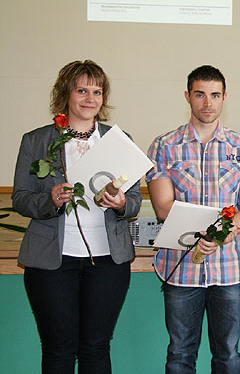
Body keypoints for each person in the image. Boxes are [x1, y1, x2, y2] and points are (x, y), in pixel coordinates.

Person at [12, 60, 142, 374]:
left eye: (97, 91)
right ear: (65, 94)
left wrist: (122, 203)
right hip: (51, 262)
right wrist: (50, 199)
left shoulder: (119, 139)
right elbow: (21, 198)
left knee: (96, 348)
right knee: (58, 349)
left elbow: (135, 201)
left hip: (108, 261)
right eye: (81, 90)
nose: (90, 98)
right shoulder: (37, 140)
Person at [146, 65, 240, 374]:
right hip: (180, 265)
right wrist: (202, 234)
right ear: (187, 96)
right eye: (200, 95)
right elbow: (162, 206)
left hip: (230, 267)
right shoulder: (163, 146)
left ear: (224, 98)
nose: (207, 103)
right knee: (180, 354)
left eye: (214, 95)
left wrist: (222, 235)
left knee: (228, 355)